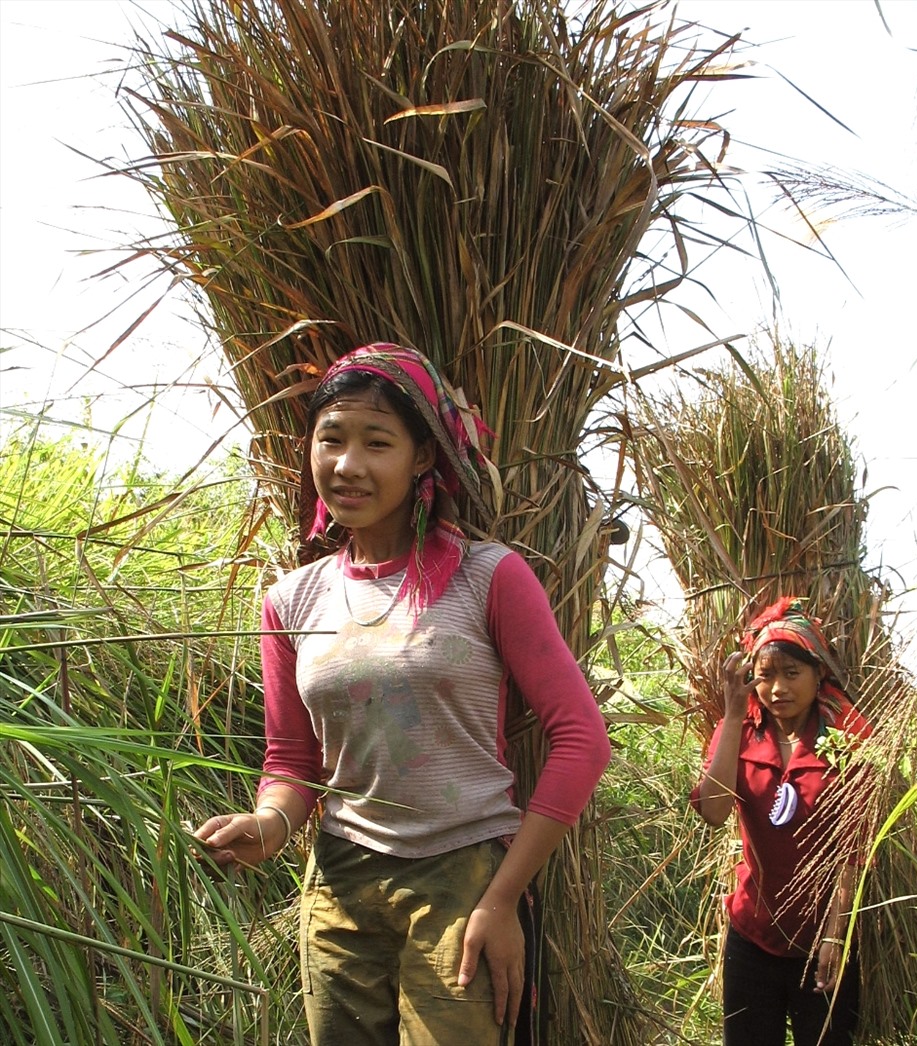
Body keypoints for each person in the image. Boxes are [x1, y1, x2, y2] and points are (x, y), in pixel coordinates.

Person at [194, 343, 611, 1046]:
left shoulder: (489, 577)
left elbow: (582, 740)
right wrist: (268, 826)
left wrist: (502, 898)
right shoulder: (292, 600)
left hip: (463, 878)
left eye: (377, 442)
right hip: (339, 883)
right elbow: (293, 760)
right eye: (331, 439)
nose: (348, 464)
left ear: (422, 457)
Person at [690, 597, 872, 1046]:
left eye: (791, 673)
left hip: (825, 939)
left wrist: (835, 938)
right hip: (752, 933)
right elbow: (713, 812)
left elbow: (855, 851)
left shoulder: (850, 738)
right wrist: (732, 715)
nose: (777, 689)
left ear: (818, 674)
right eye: (765, 675)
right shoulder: (741, 730)